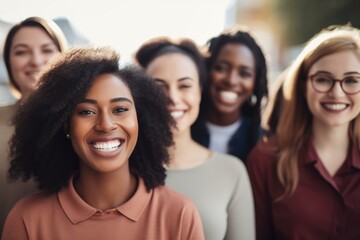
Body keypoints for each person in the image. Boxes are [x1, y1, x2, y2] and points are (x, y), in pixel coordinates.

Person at [1, 46, 204, 240]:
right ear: (65, 126)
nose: (106, 125)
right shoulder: (27, 219)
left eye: (120, 109)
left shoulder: (180, 215)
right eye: (86, 112)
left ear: (140, 119)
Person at [135, 37, 255, 240]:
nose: (172, 97)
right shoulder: (122, 169)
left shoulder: (232, 172)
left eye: (184, 86)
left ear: (200, 92)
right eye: (158, 86)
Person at [247, 25, 360, 240]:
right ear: (302, 85)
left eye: (352, 80)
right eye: (323, 79)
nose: (337, 93)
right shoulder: (266, 159)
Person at [0, 16, 68, 234]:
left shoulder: (85, 119)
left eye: (47, 50)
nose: (36, 61)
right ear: (8, 61)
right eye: (21, 52)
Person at [191, 26, 268, 162]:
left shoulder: (265, 144)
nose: (231, 81)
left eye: (244, 73)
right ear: (206, 71)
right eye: (221, 68)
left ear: (256, 83)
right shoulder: (183, 132)